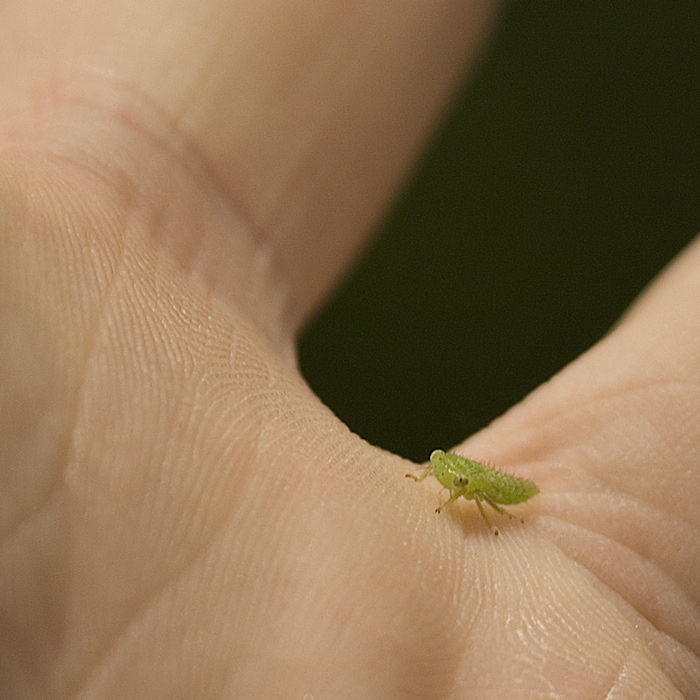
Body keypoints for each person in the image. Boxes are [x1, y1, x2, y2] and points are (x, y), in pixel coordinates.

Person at [1, 1, 697, 697]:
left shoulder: (473, 490)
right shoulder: (446, 479)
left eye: (446, 473)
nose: (444, 477)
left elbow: (481, 499)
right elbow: (445, 481)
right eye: (445, 473)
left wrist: (474, 498)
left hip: (511, 499)